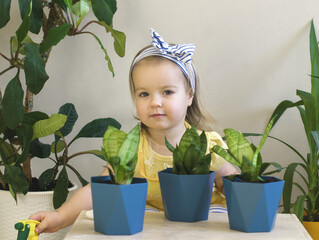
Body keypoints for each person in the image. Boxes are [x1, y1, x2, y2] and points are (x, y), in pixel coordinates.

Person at [30, 29, 237, 234]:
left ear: (189, 95)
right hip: (153, 229)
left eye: (167, 92)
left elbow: (237, 188)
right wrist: (60, 216)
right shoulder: (131, 150)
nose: (155, 102)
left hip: (202, 227)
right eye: (144, 93)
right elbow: (97, 192)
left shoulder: (208, 145)